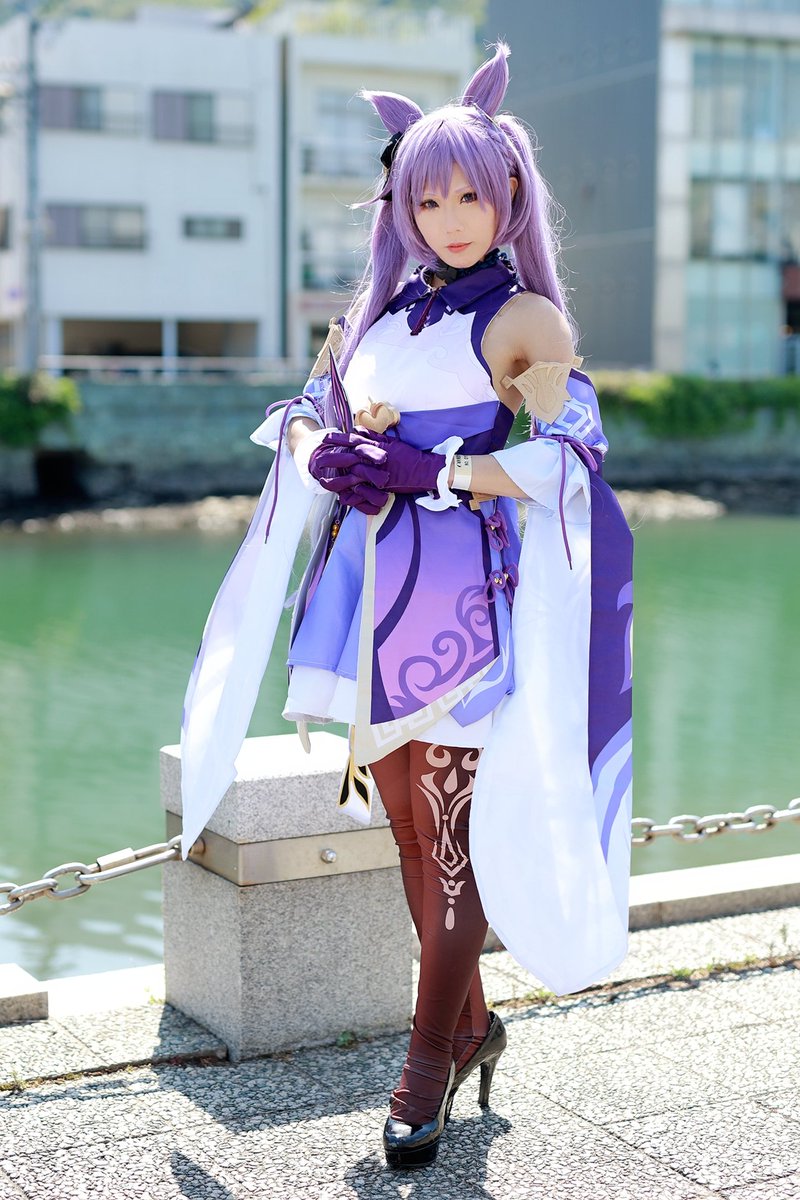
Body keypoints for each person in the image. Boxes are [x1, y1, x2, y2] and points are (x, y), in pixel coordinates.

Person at [179, 42, 633, 1171]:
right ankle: (471, 1024)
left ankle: (427, 1062)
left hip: (458, 599)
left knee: (449, 844)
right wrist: (320, 452)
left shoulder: (525, 320)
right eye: (426, 200)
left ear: (510, 193)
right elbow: (304, 405)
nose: (448, 219)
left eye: (469, 195)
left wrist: (436, 470)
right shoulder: (378, 313)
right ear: (401, 205)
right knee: (410, 836)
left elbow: (572, 461)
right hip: (363, 585)